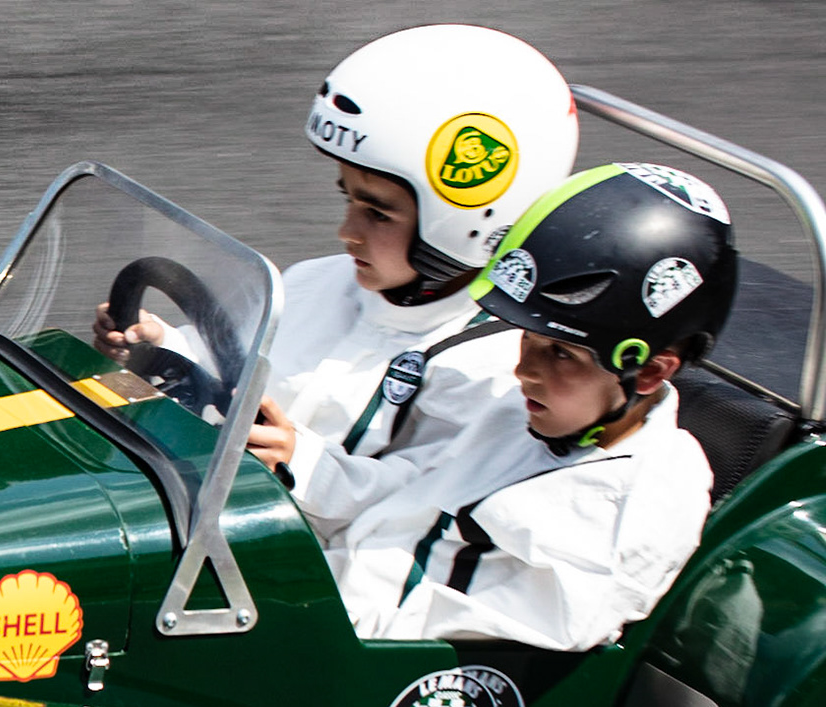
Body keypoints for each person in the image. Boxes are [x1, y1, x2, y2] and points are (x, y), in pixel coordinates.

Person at [96, 25, 578, 488]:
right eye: (348, 198)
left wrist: (302, 465)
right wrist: (162, 348)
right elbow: (232, 375)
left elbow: (417, 508)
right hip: (205, 497)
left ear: (465, 215)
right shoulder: (314, 284)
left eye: (378, 213)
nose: (346, 232)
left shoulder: (492, 369)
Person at [312, 162, 738, 650]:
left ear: (648, 372)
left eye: (561, 353)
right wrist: (302, 465)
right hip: (323, 598)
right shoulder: (521, 414)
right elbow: (407, 488)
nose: (524, 371)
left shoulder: (642, 499)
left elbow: (497, 639)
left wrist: (311, 626)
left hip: (367, 661)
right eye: (527, 340)